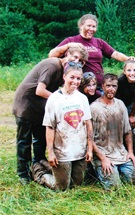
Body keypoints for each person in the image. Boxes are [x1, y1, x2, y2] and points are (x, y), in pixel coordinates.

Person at [12, 46, 88, 185]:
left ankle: (39, 167)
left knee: (39, 139)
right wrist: (61, 99)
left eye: (81, 61)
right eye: (74, 57)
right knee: (24, 141)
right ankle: (23, 174)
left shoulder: (66, 71)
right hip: (26, 105)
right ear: (67, 54)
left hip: (41, 108)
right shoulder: (52, 65)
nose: (76, 61)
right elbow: (40, 90)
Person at [32, 63, 93, 191]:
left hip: (79, 151)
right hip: (62, 151)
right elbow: (50, 127)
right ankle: (39, 172)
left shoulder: (82, 98)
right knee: (62, 188)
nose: (75, 81)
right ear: (64, 76)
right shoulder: (54, 99)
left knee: (76, 185)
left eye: (78, 78)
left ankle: (54, 169)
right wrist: (51, 152)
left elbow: (88, 124)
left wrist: (90, 149)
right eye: (72, 77)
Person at [48, 14, 132, 88]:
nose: (91, 29)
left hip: (98, 85)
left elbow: (115, 54)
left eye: (94, 26)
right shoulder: (71, 40)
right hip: (79, 86)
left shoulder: (99, 42)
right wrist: (68, 46)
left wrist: (129, 59)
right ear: (81, 26)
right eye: (89, 26)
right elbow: (51, 55)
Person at [90, 73, 135, 190]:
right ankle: (97, 171)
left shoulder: (120, 104)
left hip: (120, 153)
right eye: (108, 86)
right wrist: (102, 158)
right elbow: (89, 138)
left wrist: (130, 152)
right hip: (103, 154)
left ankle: (119, 171)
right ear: (102, 86)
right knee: (114, 187)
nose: (111, 89)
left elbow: (127, 131)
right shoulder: (94, 108)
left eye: (114, 86)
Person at [78, 72, 101, 183]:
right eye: (88, 85)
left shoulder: (97, 95)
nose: (92, 88)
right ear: (83, 86)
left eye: (94, 84)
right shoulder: (79, 97)